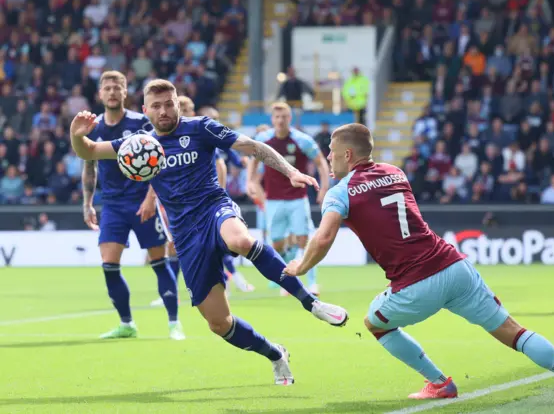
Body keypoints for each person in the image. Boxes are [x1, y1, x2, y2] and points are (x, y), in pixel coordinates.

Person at [284, 123, 554, 401]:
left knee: (375, 323)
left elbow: (325, 237)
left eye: (331, 151)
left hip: (416, 282)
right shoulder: (396, 171)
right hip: (455, 266)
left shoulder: (340, 191)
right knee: (513, 331)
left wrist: (301, 265)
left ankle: (439, 382)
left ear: (347, 154)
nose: (327, 157)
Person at [69, 79, 348, 385]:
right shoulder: (141, 144)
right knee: (219, 323)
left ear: (178, 103)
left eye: (169, 104)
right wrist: (76, 135)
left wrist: (291, 171)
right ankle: (275, 354)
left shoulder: (201, 127)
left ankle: (312, 303)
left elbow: (252, 146)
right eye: (157, 106)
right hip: (186, 235)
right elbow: (90, 151)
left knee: (241, 240)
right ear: (146, 110)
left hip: (214, 208)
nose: (164, 111)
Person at [83, 71, 184, 340]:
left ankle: (174, 323)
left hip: (142, 203)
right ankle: (127, 323)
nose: (113, 92)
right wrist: (88, 203)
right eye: (108, 88)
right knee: (109, 264)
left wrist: (151, 197)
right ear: (100, 94)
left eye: (118, 87)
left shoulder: (142, 123)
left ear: (126, 92)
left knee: (159, 262)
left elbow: (161, 159)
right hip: (113, 206)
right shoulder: (95, 128)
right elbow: (89, 166)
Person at [150, 96, 254, 306]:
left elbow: (223, 163)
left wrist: (220, 193)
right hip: (178, 204)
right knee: (176, 247)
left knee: (216, 242)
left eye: (188, 108)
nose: (186, 112)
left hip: (207, 200)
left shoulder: (199, 134)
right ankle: (173, 292)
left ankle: (231, 280)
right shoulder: (163, 139)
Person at [247, 102, 330, 295]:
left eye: (284, 117)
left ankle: (312, 283)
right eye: (277, 117)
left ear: (289, 119)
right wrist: (250, 182)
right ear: (272, 120)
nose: (280, 120)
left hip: (297, 198)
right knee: (276, 244)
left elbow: (321, 162)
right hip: (273, 200)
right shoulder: (263, 139)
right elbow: (253, 161)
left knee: (304, 239)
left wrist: (324, 187)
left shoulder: (302, 140)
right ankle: (290, 272)